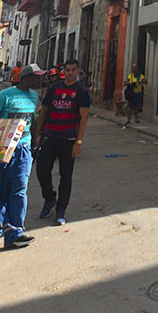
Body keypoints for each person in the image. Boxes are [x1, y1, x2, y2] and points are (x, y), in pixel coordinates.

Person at [0, 64, 44, 249]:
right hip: (2, 146)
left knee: (19, 190)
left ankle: (15, 232)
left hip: (23, 149)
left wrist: (36, 142)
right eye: (36, 77)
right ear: (26, 78)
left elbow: (32, 121)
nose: (39, 80)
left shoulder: (34, 96)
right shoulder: (5, 95)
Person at [33, 59, 90, 226]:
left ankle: (61, 209)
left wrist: (79, 141)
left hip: (68, 138)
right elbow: (44, 110)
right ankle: (50, 198)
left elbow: (84, 117)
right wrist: (38, 133)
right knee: (42, 170)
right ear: (64, 71)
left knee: (66, 176)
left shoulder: (82, 91)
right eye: (68, 70)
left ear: (78, 71)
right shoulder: (55, 88)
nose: (71, 73)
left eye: (73, 70)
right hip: (50, 136)